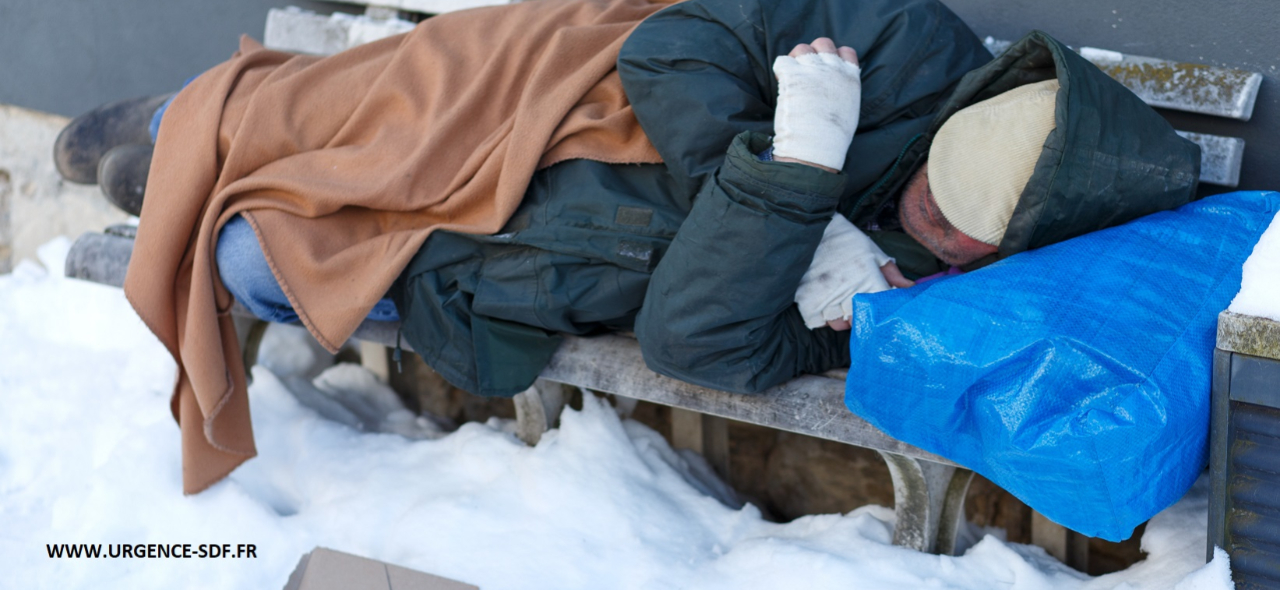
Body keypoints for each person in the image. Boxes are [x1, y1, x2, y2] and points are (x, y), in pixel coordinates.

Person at [54, 0, 1199, 492]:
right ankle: (186, 121)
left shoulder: (924, 295)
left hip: (539, 247)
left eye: (952, 232)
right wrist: (793, 185)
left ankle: (188, 174)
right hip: (564, 99)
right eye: (931, 185)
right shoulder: (911, 43)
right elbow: (674, 45)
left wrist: (792, 188)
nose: (925, 221)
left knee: (251, 265)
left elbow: (695, 338)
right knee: (337, 113)